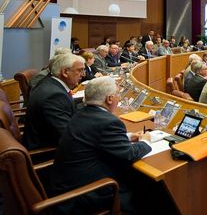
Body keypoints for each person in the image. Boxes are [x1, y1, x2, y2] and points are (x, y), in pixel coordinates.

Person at [50, 77, 151, 214]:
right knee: (147, 190)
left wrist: (127, 137)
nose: (119, 98)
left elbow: (93, 137)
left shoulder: (82, 112)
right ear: (109, 99)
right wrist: (146, 141)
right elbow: (128, 155)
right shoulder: (108, 122)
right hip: (84, 194)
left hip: (64, 183)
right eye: (118, 95)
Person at [23, 53, 83, 150]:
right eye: (80, 70)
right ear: (65, 72)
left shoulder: (50, 83)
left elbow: (67, 111)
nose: (83, 74)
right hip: (48, 152)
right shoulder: (54, 96)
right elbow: (68, 136)